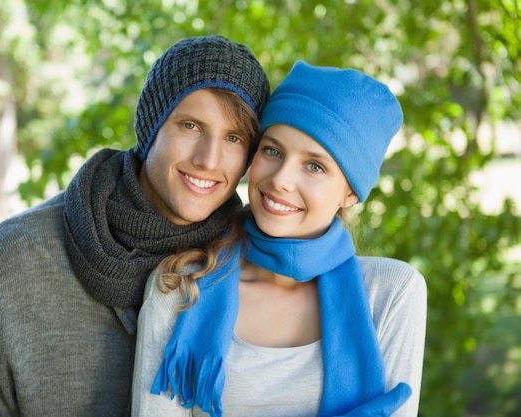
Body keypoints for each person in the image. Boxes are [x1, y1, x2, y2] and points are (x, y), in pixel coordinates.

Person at [0, 35, 270, 417]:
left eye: (234, 137)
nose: (209, 159)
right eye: (190, 125)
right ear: (151, 127)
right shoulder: (15, 260)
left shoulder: (255, 267)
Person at [132, 61, 427, 417]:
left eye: (315, 166)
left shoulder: (391, 292)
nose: (280, 180)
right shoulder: (181, 285)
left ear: (350, 193)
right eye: (272, 150)